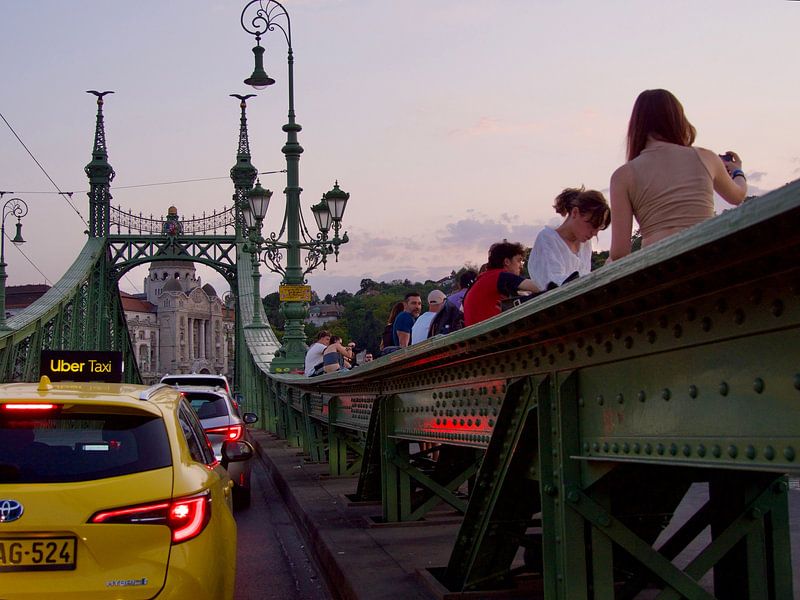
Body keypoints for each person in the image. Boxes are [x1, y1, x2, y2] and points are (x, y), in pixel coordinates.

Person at [609, 89, 748, 261]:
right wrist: (737, 171)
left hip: (660, 268)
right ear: (678, 119)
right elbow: (737, 196)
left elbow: (619, 253)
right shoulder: (706, 157)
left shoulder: (622, 176)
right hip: (708, 258)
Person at [528, 187, 610, 289]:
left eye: (598, 228)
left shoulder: (585, 244)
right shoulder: (547, 239)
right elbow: (554, 283)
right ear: (575, 213)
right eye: (592, 225)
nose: (594, 233)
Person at [463, 241, 540, 326]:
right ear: (507, 261)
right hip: (493, 332)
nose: (521, 266)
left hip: (478, 334)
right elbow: (539, 286)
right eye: (519, 261)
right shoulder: (501, 276)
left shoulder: (483, 279)